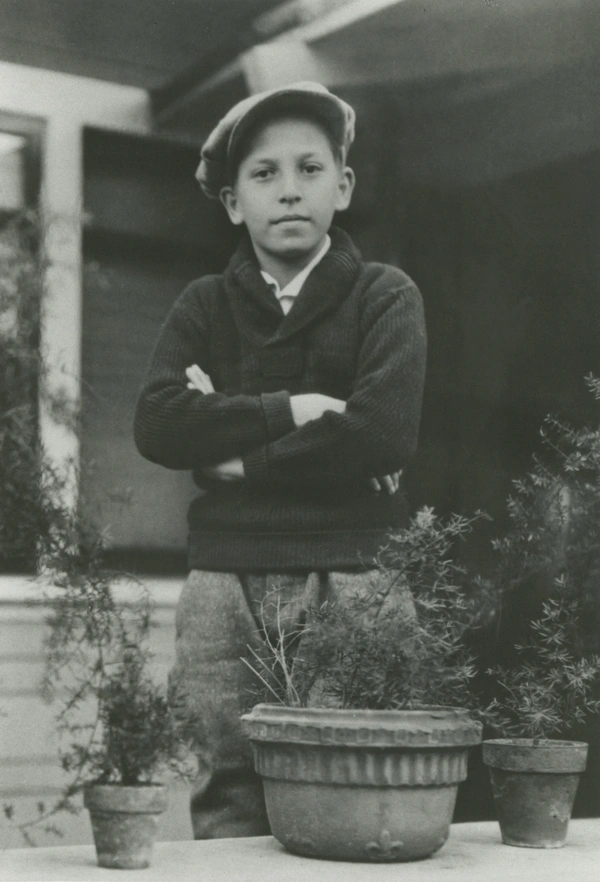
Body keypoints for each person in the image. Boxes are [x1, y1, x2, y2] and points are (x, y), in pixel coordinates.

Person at [134, 81, 427, 839]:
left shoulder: (384, 295)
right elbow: (161, 425)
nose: (289, 191)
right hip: (222, 580)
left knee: (353, 786)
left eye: (309, 169)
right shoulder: (203, 305)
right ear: (233, 203)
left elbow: (380, 433)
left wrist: (241, 461)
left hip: (355, 574)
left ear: (344, 184)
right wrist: (294, 410)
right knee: (228, 789)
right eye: (264, 175)